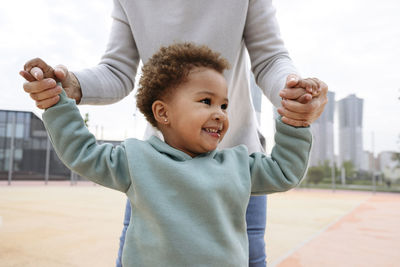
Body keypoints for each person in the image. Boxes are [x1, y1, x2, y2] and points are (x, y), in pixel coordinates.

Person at [20, 1, 328, 266]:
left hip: (242, 162)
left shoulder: (238, 167)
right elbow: (85, 142)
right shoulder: (138, 164)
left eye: (224, 104)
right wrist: (61, 96)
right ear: (162, 113)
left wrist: (294, 112)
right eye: (207, 102)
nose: (221, 113)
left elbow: (285, 168)